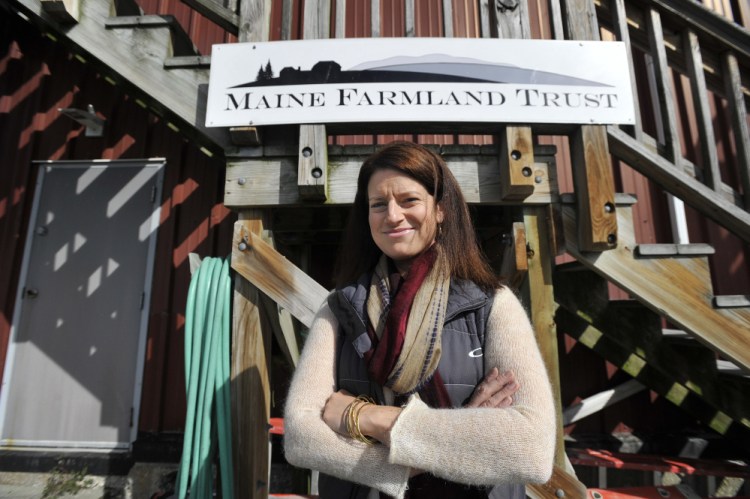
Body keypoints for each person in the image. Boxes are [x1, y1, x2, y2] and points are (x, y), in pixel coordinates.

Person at [283, 141, 556, 499]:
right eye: (378, 204)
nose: (392, 216)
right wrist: (465, 434)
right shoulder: (338, 310)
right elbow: (300, 438)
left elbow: (531, 450)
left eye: (409, 200)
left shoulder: (492, 306)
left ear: (440, 209)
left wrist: (365, 418)